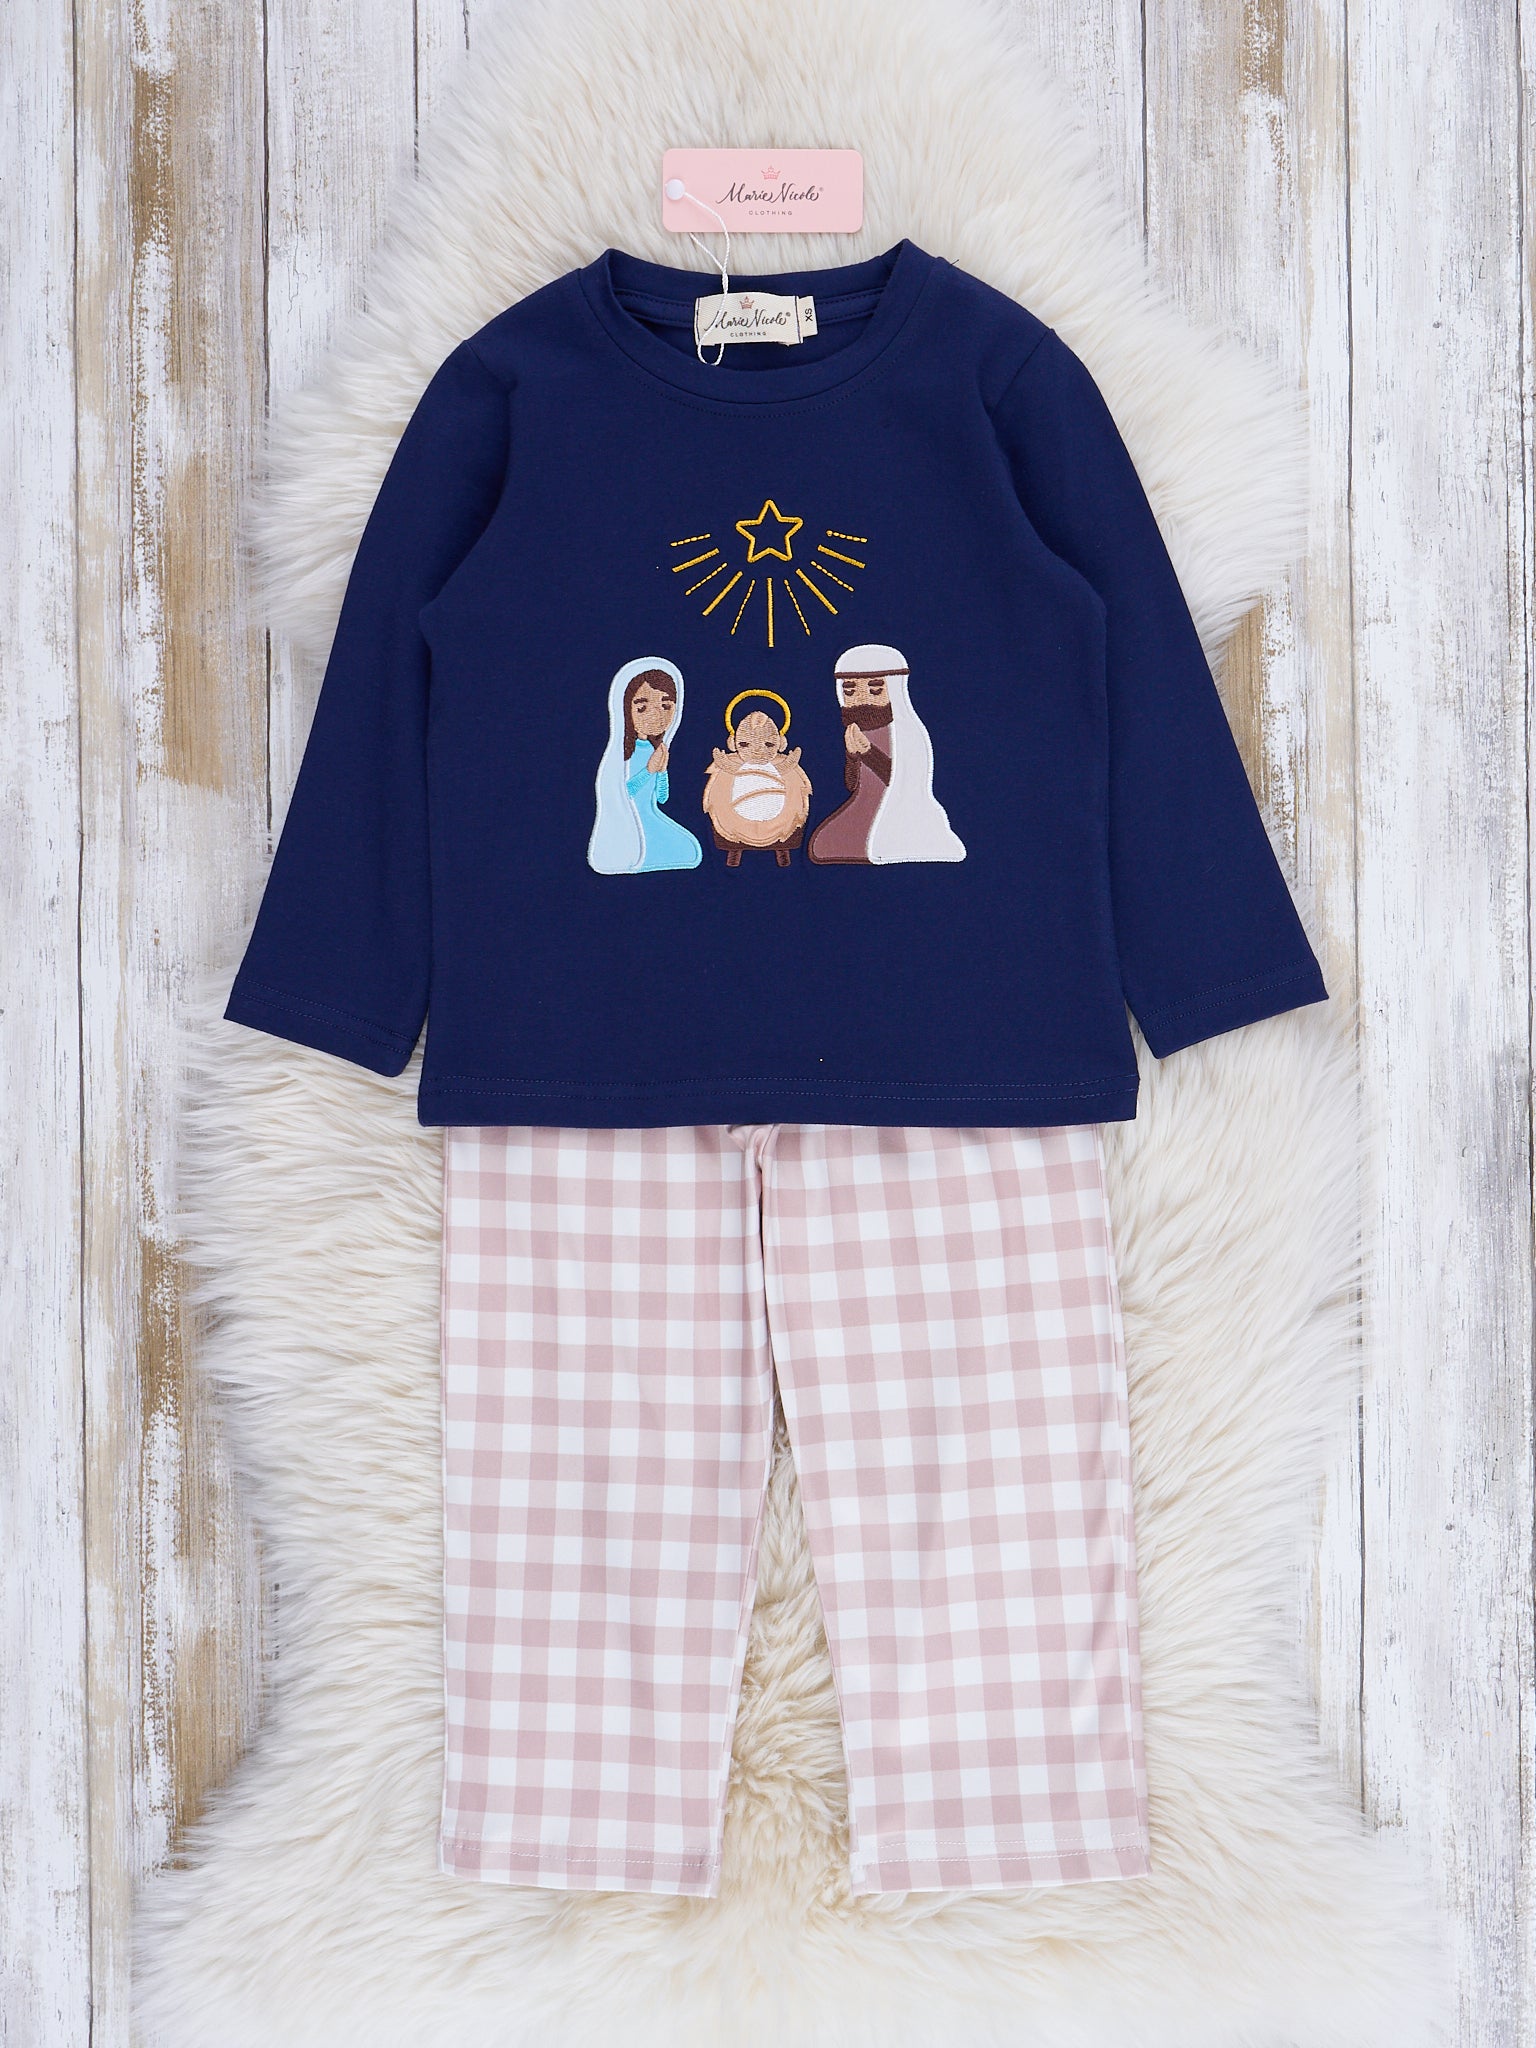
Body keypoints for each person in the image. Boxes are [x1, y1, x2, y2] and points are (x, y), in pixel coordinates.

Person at [806, 643, 966, 864]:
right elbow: (853, 785)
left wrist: (868, 752)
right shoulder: (858, 731)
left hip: (902, 810)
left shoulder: (907, 734)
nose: (862, 699)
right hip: (863, 807)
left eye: (875, 689)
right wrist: (852, 756)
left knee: (871, 844)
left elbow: (904, 780)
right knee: (824, 844)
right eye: (850, 691)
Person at [587, 657, 703, 874]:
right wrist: (649, 770)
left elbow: (661, 798)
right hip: (629, 823)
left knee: (689, 850)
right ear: (625, 709)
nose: (656, 715)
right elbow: (623, 794)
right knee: (685, 852)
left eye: (666, 706)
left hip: (651, 815)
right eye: (642, 708)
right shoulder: (621, 755)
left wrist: (662, 771)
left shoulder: (654, 749)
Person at [700, 688, 813, 866]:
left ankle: (781, 853)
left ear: (780, 743)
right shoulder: (736, 763)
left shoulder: (778, 763)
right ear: (733, 743)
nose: (758, 750)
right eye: (745, 744)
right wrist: (722, 761)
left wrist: (791, 761)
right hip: (739, 811)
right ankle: (736, 854)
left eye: (768, 744)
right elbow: (728, 767)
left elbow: (786, 767)